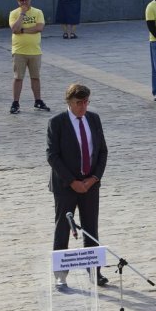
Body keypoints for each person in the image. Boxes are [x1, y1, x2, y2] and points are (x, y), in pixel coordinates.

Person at [46, 83, 108, 288]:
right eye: (79, 103)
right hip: (66, 187)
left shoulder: (94, 119)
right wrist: (72, 181)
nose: (83, 106)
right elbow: (53, 156)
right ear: (69, 102)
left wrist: (94, 178)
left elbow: (102, 151)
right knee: (62, 229)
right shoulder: (57, 122)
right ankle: (60, 274)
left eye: (86, 102)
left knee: (91, 227)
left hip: (90, 185)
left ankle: (95, 272)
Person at [9, 0, 49, 114]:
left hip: (35, 51)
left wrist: (23, 30)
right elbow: (14, 28)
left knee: (35, 77)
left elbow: (40, 27)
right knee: (18, 78)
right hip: (19, 51)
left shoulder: (38, 12)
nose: (24, 2)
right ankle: (15, 103)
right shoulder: (14, 13)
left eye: (26, 0)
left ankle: (38, 101)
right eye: (21, 0)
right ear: (18, 1)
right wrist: (22, 14)